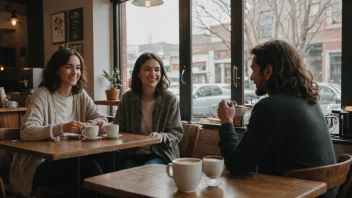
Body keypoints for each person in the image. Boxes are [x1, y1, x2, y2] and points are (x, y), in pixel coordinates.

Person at [217, 40, 337, 197]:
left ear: (268, 71)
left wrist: (226, 122)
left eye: (254, 70)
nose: (252, 77)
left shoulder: (269, 108)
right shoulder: (310, 102)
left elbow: (237, 165)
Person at [9, 48, 108, 198]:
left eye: (78, 67)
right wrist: (62, 128)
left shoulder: (80, 94)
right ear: (56, 69)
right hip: (40, 164)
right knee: (89, 171)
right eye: (68, 67)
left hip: (70, 157)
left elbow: (102, 118)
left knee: (106, 162)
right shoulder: (42, 94)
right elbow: (27, 130)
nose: (75, 72)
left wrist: (91, 125)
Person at [113, 52, 183, 169]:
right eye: (147, 69)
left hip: (161, 154)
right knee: (118, 170)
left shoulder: (170, 99)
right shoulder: (128, 98)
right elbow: (118, 128)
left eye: (157, 70)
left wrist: (161, 136)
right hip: (131, 153)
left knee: (143, 172)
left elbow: (176, 133)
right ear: (138, 73)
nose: (153, 74)